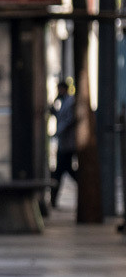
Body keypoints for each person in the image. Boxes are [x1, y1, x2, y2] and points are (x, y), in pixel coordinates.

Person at [49, 80, 77, 209]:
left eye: (59, 89)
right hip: (64, 143)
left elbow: (69, 120)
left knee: (61, 171)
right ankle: (53, 199)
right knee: (63, 170)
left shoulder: (70, 102)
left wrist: (59, 131)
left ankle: (53, 199)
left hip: (68, 143)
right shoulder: (63, 102)